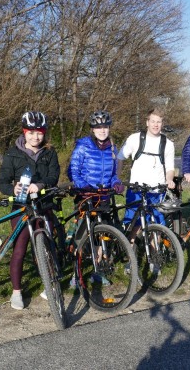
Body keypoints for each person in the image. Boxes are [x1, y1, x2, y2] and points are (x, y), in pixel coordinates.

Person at [0, 111, 60, 310]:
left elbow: (54, 176)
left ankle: (49, 284)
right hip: (22, 206)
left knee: (49, 246)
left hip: (43, 205)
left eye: (39, 133)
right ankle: (16, 291)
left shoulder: (50, 153)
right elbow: (2, 182)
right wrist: (12, 189)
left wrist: (41, 185)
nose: (36, 137)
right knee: (20, 247)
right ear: (24, 132)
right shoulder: (12, 154)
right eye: (31, 133)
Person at [67, 110, 124, 286]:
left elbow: (113, 174)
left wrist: (116, 183)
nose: (102, 130)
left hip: (104, 196)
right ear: (92, 129)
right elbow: (72, 171)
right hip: (86, 196)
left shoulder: (112, 149)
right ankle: (75, 275)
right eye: (98, 127)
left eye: (105, 127)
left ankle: (97, 271)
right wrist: (83, 185)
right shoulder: (83, 146)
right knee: (82, 236)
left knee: (101, 237)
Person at [117, 108, 175, 242]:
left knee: (157, 224)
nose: (156, 125)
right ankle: (131, 255)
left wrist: (169, 180)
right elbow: (120, 158)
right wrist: (117, 179)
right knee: (134, 223)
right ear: (147, 122)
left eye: (159, 122)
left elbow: (170, 168)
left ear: (162, 124)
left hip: (157, 190)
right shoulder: (135, 139)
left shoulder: (168, 144)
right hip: (136, 189)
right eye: (153, 121)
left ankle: (155, 257)